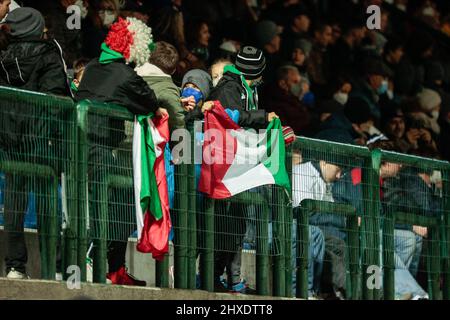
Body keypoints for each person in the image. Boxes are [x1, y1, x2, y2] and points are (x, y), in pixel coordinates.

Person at [75, 17, 167, 286]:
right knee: (124, 201)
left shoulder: (93, 66)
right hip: (98, 149)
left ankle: (112, 267)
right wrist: (156, 108)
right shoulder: (124, 74)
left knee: (104, 203)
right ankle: (96, 260)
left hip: (81, 147)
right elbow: (147, 99)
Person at [0, 7, 71, 280]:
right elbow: (57, 98)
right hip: (41, 141)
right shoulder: (49, 54)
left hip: (11, 141)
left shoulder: (3, 56)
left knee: (14, 205)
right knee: (46, 204)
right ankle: (53, 267)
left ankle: (15, 266)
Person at [292, 147, 344, 299]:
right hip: (300, 231)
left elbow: (333, 212)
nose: (339, 176)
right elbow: (303, 212)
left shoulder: (323, 178)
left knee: (341, 245)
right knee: (330, 256)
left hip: (320, 232)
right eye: (338, 170)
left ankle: (340, 291)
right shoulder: (302, 173)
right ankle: (357, 292)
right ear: (325, 163)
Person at [136, 41, 185, 131]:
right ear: (174, 70)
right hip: (149, 143)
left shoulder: (131, 78)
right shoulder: (168, 91)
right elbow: (178, 126)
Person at [261, 65, 311, 135]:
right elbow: (286, 129)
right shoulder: (275, 102)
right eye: (295, 82)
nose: (300, 86)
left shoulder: (291, 96)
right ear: (282, 84)